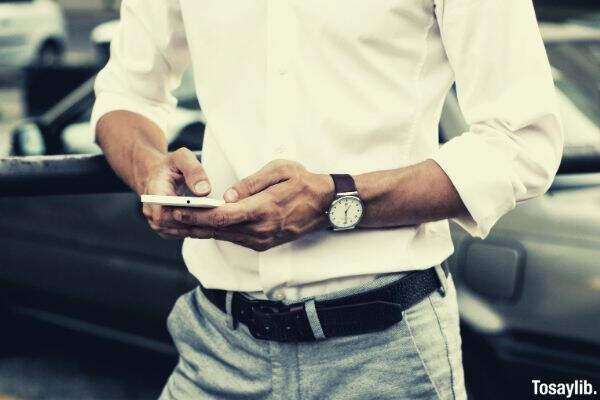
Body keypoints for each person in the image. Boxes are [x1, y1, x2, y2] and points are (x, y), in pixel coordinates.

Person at [92, 0, 563, 399]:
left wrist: (334, 202)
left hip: (386, 356)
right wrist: (148, 167)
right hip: (215, 346)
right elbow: (128, 91)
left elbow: (522, 141)